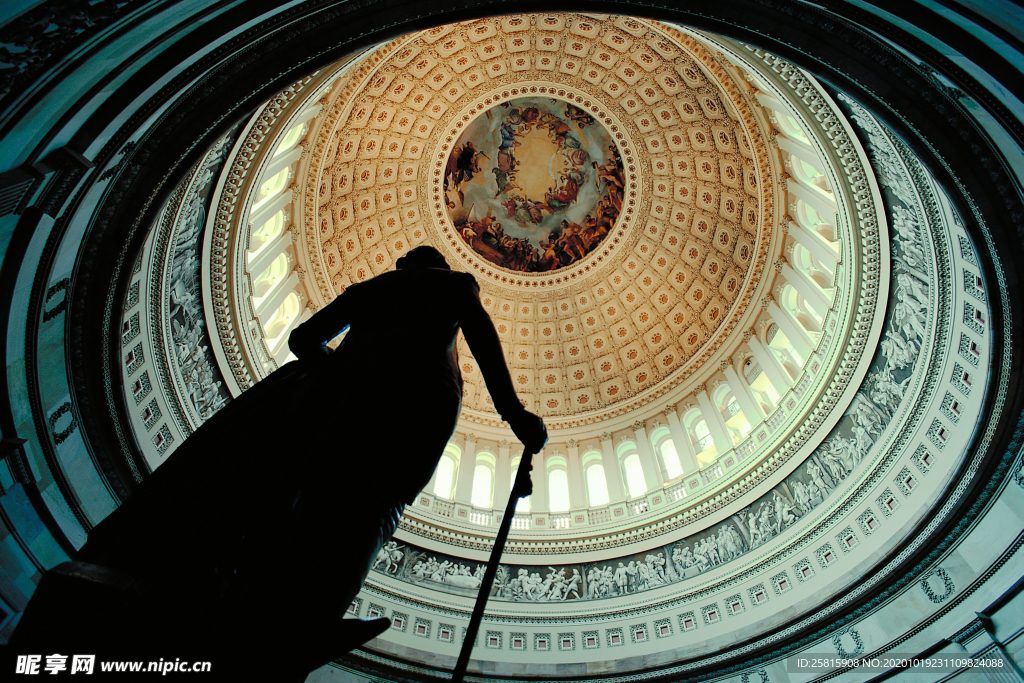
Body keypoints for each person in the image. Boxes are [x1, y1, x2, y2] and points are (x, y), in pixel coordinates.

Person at [12, 246, 547, 680]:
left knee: (310, 497)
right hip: (417, 411)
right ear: (441, 267)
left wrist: (338, 374)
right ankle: (309, 616)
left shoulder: (373, 289)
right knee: (370, 512)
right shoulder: (452, 287)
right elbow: (480, 336)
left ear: (405, 264)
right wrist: (513, 412)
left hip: (340, 404)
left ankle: (272, 602)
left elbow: (301, 339)